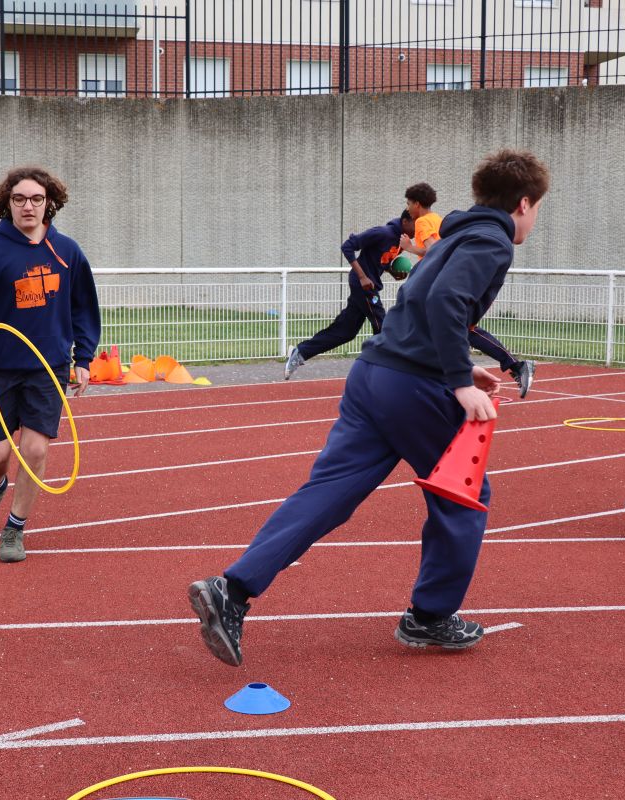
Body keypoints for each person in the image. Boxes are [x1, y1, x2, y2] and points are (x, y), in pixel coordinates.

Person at [190, 149, 551, 666]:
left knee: (330, 491)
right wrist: (456, 378)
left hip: (374, 373)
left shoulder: (452, 238)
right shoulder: (492, 240)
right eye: (538, 210)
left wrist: (458, 366)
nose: (534, 220)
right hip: (412, 388)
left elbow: (416, 300)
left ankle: (233, 590)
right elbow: (446, 302)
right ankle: (430, 616)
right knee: (463, 496)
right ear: (524, 203)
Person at [0, 165, 101, 564]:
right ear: (8, 203)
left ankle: (15, 528)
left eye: (36, 198)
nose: (28, 206)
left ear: (49, 202)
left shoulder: (67, 252)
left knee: (34, 450)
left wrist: (83, 358)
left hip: (47, 368)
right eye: (19, 199)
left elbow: (84, 309)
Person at [401, 182, 536, 398]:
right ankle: (512, 365)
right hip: (450, 280)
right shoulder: (437, 219)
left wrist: (409, 248)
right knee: (465, 330)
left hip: (437, 282)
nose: (407, 208)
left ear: (417, 204)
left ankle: (465, 382)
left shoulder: (423, 221)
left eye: (409, 203)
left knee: (453, 328)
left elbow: (434, 249)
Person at [284, 211, 413, 380]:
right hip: (363, 285)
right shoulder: (382, 233)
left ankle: (301, 352)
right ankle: (382, 373)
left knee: (345, 331)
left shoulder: (402, 242)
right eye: (417, 223)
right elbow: (347, 246)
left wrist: (392, 271)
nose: (419, 228)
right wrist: (362, 277)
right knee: (382, 325)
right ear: (405, 221)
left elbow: (379, 260)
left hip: (369, 285)